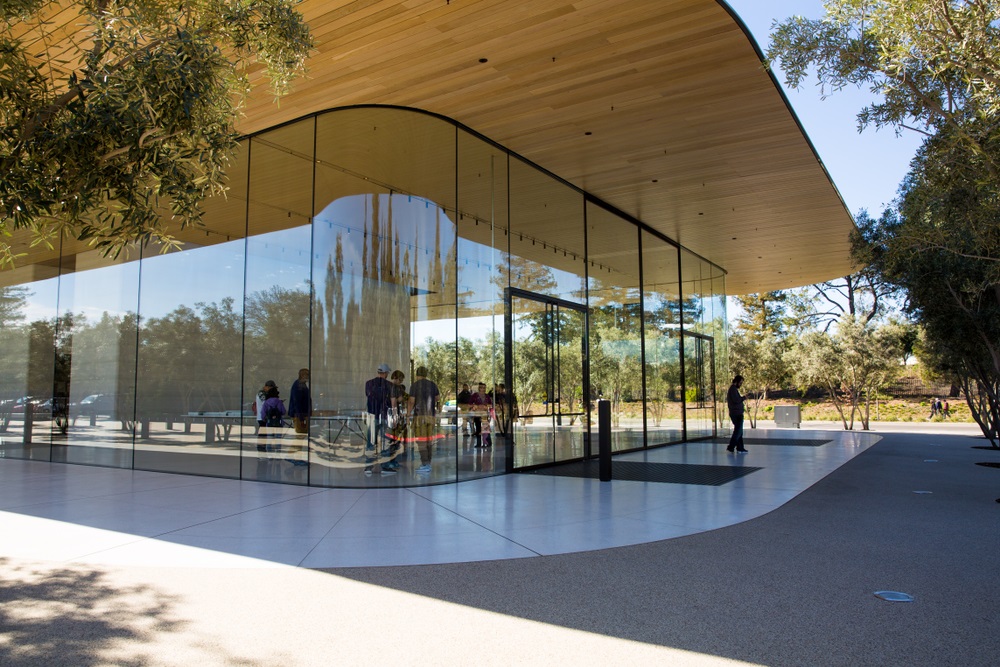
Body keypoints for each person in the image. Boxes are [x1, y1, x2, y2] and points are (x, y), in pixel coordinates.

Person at [364, 363, 396, 475]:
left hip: (372, 416)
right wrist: (394, 416)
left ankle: (368, 466)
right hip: (385, 416)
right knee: (385, 442)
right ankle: (385, 467)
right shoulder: (390, 385)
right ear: (386, 373)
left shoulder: (368, 384)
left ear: (378, 372)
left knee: (370, 443)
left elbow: (368, 397)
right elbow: (393, 402)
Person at [407, 366, 440, 474]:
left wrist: (408, 414)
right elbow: (437, 398)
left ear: (417, 374)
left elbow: (411, 401)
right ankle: (428, 462)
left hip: (420, 416)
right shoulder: (433, 384)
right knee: (429, 440)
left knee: (421, 441)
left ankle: (425, 464)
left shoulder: (415, 386)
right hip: (431, 416)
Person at [257, 384, 286, 455]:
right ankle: (278, 455)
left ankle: (270, 455)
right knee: (278, 440)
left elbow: (263, 413)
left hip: (269, 423)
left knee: (269, 439)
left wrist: (265, 419)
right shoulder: (279, 402)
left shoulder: (266, 402)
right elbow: (283, 411)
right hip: (278, 423)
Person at [726, 375, 747, 453]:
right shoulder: (733, 389)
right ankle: (731, 446)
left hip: (736, 412)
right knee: (738, 431)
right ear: (737, 381)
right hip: (736, 413)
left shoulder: (733, 389)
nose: (741, 384)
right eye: (740, 382)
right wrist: (743, 398)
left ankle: (740, 447)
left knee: (739, 431)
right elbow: (736, 400)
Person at [288, 368, 312, 435]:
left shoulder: (302, 385)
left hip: (302, 414)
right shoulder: (299, 385)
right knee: (300, 435)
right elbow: (297, 402)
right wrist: (301, 418)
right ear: (302, 375)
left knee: (301, 435)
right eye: (307, 374)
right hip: (300, 415)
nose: (308, 376)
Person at [471, 382, 493, 448]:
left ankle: (487, 442)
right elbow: (469, 404)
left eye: (484, 388)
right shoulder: (474, 395)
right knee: (478, 429)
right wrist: (475, 406)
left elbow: (491, 405)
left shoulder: (487, 396)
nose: (483, 389)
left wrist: (486, 406)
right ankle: (478, 443)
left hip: (485, 415)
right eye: (482, 388)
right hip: (477, 414)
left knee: (486, 428)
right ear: (479, 388)